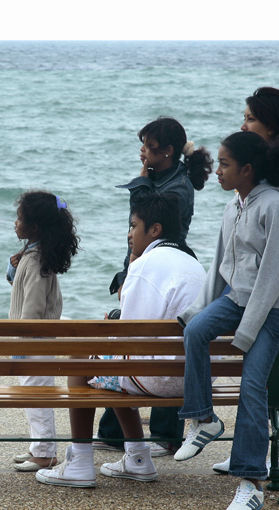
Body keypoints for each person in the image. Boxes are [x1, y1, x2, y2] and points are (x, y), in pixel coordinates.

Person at [36, 189, 206, 487]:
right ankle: (138, 458)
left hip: (159, 379)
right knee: (112, 362)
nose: (129, 234)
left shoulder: (145, 266)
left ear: (155, 230)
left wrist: (110, 327)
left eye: (133, 226)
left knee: (82, 357)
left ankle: (80, 462)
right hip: (197, 380)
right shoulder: (193, 263)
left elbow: (129, 337)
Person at [174, 131, 279, 510]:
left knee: (252, 383)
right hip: (240, 298)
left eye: (225, 164)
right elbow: (220, 264)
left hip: (275, 307)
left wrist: (247, 331)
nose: (217, 171)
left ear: (247, 169)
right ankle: (204, 420)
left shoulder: (276, 207)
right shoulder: (234, 205)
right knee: (196, 331)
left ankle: (251, 483)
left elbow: (274, 275)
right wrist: (196, 311)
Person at [99, 116, 213, 457]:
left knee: (160, 339)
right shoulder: (163, 177)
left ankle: (164, 434)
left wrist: (142, 181)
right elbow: (140, 228)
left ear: (168, 151)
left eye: (150, 147)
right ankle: (114, 433)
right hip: (147, 260)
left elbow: (152, 221)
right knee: (142, 341)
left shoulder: (178, 186)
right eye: (143, 146)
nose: (143, 152)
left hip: (163, 261)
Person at [213, 87, 279, 478]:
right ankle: (250, 449)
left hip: (278, 286)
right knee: (258, 370)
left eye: (251, 118)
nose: (244, 125)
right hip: (248, 283)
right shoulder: (256, 170)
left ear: (272, 127)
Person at [6, 190, 80, 472]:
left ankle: (46, 453)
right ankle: (38, 447)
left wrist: (22, 343)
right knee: (32, 394)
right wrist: (13, 266)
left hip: (34, 342)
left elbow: (33, 308)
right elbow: (21, 288)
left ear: (34, 227)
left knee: (37, 396)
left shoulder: (37, 261)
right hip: (33, 342)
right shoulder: (33, 254)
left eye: (19, 218)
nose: (15, 223)